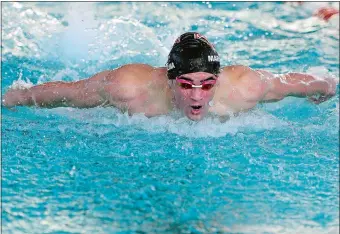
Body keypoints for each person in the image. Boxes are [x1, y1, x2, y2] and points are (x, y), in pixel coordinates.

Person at [2, 32, 338, 121]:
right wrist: (15, 96)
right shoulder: (130, 87)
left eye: (207, 85)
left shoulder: (244, 87)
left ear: (217, 81)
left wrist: (327, 84)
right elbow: (69, 93)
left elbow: (291, 82)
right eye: (186, 85)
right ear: (168, 79)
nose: (197, 96)